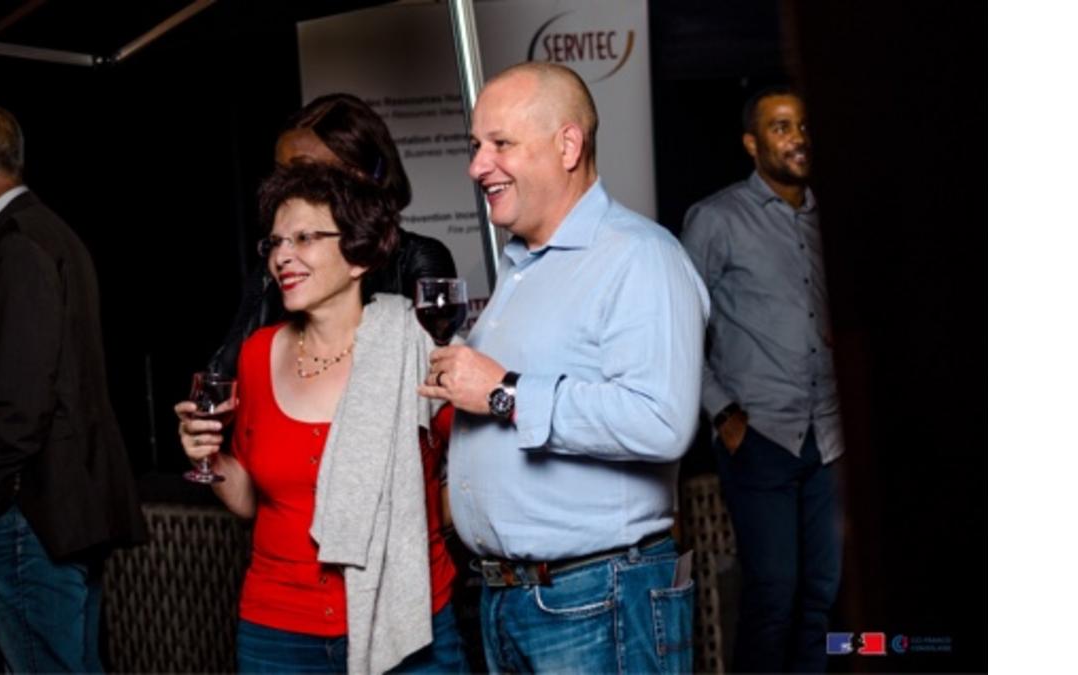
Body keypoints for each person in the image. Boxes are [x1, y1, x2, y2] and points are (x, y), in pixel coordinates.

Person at [418, 62, 709, 673]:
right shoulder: (523, 264)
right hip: (512, 598)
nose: (477, 166)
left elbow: (661, 422)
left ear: (568, 146)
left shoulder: (640, 257)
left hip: (596, 598)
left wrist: (503, 392)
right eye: (476, 146)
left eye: (500, 143)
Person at [177, 164, 464, 674]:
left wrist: (415, 535)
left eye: (305, 238)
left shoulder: (415, 347)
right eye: (276, 243)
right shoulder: (257, 354)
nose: (282, 256)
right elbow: (249, 501)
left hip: (405, 617)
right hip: (278, 632)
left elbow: (478, 472)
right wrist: (212, 458)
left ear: (359, 254)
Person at [0, 103, 148, 672]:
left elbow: (24, 394)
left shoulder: (17, 242)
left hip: (32, 509)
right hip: (62, 504)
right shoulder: (50, 231)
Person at [680, 86, 844, 673]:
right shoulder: (717, 219)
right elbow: (678, 330)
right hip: (761, 437)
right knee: (774, 595)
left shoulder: (832, 217)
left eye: (802, 125)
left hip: (830, 438)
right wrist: (722, 412)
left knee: (823, 595)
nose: (797, 138)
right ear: (752, 144)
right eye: (780, 127)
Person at [208, 93, 457, 376]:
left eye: (304, 173)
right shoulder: (280, 265)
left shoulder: (416, 258)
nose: (286, 187)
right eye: (281, 174)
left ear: (360, 176)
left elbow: (432, 371)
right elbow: (223, 374)